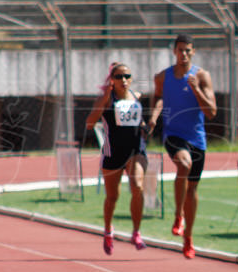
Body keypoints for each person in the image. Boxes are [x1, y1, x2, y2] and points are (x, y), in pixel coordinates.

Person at [147, 34, 217, 260]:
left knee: (193, 189)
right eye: (180, 50)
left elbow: (211, 112)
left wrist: (196, 89)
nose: (184, 54)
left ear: (193, 52)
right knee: (183, 165)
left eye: (188, 50)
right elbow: (158, 99)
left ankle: (188, 236)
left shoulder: (201, 76)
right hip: (173, 134)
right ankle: (178, 215)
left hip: (197, 138)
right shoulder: (162, 77)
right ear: (174, 52)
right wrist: (154, 117)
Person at [85, 62, 150, 256]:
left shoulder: (136, 97)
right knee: (113, 196)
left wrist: (146, 126)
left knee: (137, 186)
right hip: (113, 153)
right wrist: (105, 97)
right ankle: (108, 231)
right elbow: (89, 124)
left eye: (127, 76)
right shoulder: (106, 99)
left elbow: (140, 120)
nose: (124, 80)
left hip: (136, 150)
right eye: (119, 76)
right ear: (112, 80)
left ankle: (136, 232)